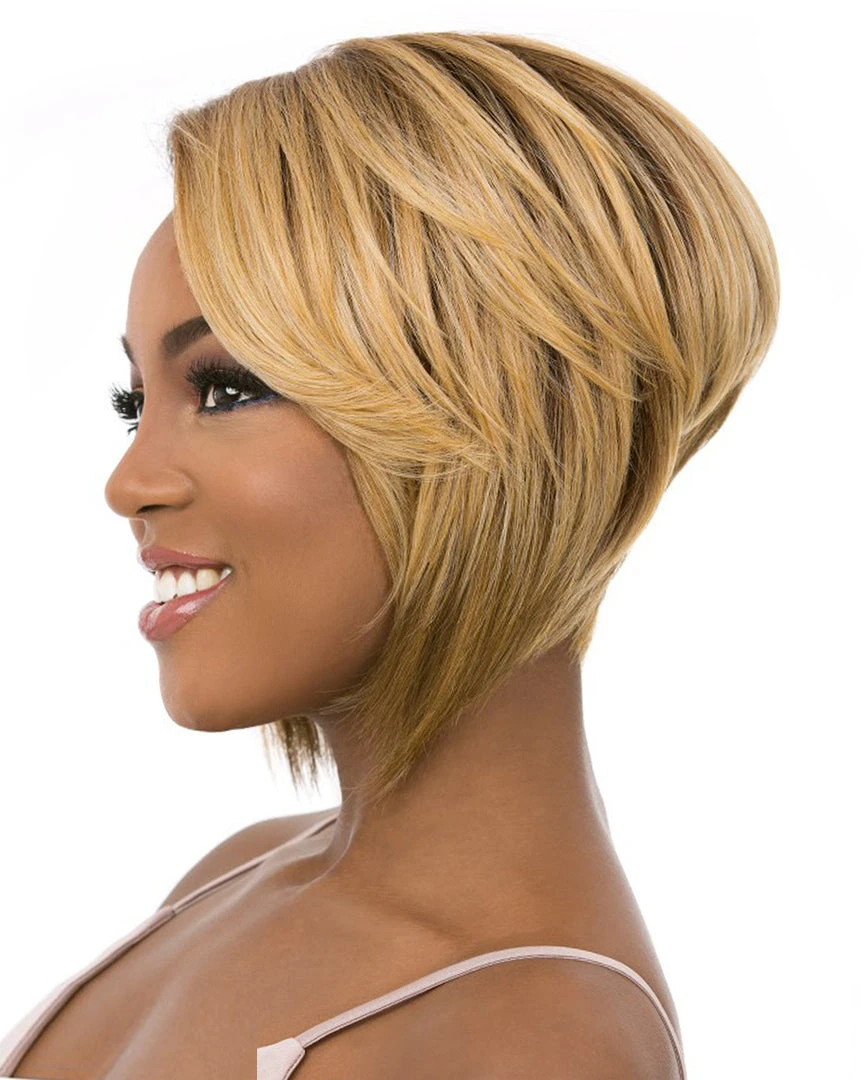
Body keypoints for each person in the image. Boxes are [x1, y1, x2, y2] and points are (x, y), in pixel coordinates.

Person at [0, 29, 779, 1080]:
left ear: (490, 416)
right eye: (134, 402)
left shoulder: (524, 1044)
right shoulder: (240, 873)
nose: (128, 482)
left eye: (224, 389)